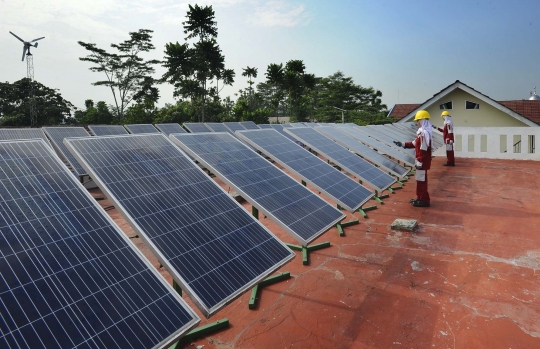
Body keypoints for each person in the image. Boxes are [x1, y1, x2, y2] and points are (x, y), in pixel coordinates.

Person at [394, 110, 432, 207]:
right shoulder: (421, 134)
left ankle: (423, 200)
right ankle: (420, 198)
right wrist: (402, 144)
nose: (417, 123)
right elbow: (414, 144)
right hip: (421, 162)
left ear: (422, 121)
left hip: (422, 162)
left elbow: (423, 150)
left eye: (418, 121)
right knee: (420, 181)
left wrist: (420, 161)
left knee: (422, 182)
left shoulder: (424, 134)